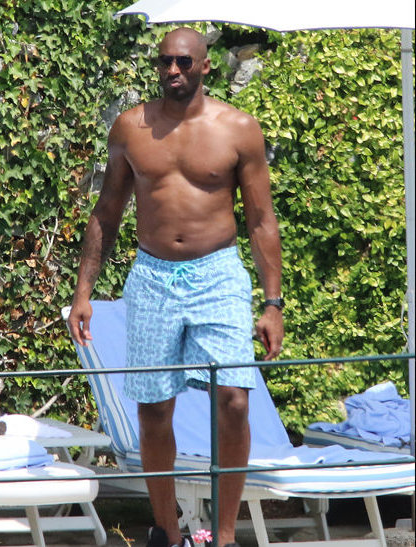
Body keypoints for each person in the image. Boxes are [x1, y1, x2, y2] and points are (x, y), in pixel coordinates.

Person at [68, 27, 284, 547]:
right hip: (152, 275)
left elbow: (261, 220)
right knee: (153, 407)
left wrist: (273, 303)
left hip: (218, 273)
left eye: (184, 62)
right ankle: (165, 531)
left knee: (234, 399)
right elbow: (107, 211)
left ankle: (225, 536)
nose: (172, 70)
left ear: (205, 66)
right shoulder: (131, 127)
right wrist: (83, 292)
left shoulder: (238, 129)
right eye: (165, 61)